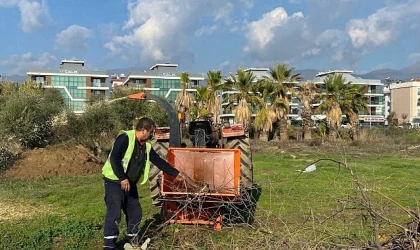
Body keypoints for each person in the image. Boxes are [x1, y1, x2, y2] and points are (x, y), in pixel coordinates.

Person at [101, 117, 185, 249]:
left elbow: (158, 161)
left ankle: (133, 240)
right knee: (114, 212)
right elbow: (115, 158)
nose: (152, 135)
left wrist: (176, 173)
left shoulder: (146, 146)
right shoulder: (125, 138)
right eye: (151, 132)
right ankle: (109, 245)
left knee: (135, 212)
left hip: (130, 184)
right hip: (114, 182)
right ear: (144, 130)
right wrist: (122, 178)